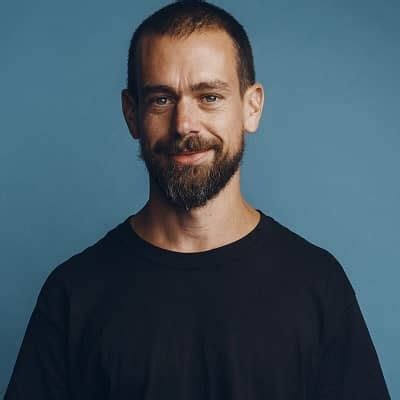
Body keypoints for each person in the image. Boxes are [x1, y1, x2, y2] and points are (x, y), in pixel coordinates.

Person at [5, 1, 391, 399]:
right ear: (132, 114)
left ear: (252, 107)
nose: (184, 124)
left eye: (209, 97)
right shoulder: (73, 294)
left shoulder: (317, 285)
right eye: (161, 99)